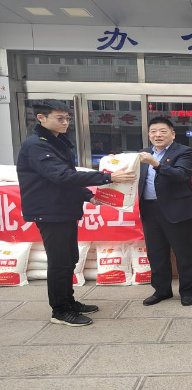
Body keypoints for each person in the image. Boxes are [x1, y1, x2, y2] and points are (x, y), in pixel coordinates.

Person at [16, 99, 136, 327]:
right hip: (50, 211)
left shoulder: (56, 142)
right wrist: (108, 177)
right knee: (60, 261)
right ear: (41, 118)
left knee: (69, 258)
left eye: (67, 118)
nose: (65, 122)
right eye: (59, 118)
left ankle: (69, 302)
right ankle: (60, 310)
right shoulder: (37, 145)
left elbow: (67, 177)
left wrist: (88, 196)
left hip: (63, 209)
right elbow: (61, 176)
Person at [138, 117, 192, 307]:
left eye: (163, 131)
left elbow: (181, 175)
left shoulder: (184, 151)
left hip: (177, 210)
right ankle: (161, 290)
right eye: (153, 131)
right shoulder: (143, 154)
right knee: (156, 253)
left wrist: (156, 164)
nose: (157, 135)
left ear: (173, 134)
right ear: (149, 135)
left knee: (183, 253)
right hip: (149, 209)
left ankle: (187, 292)